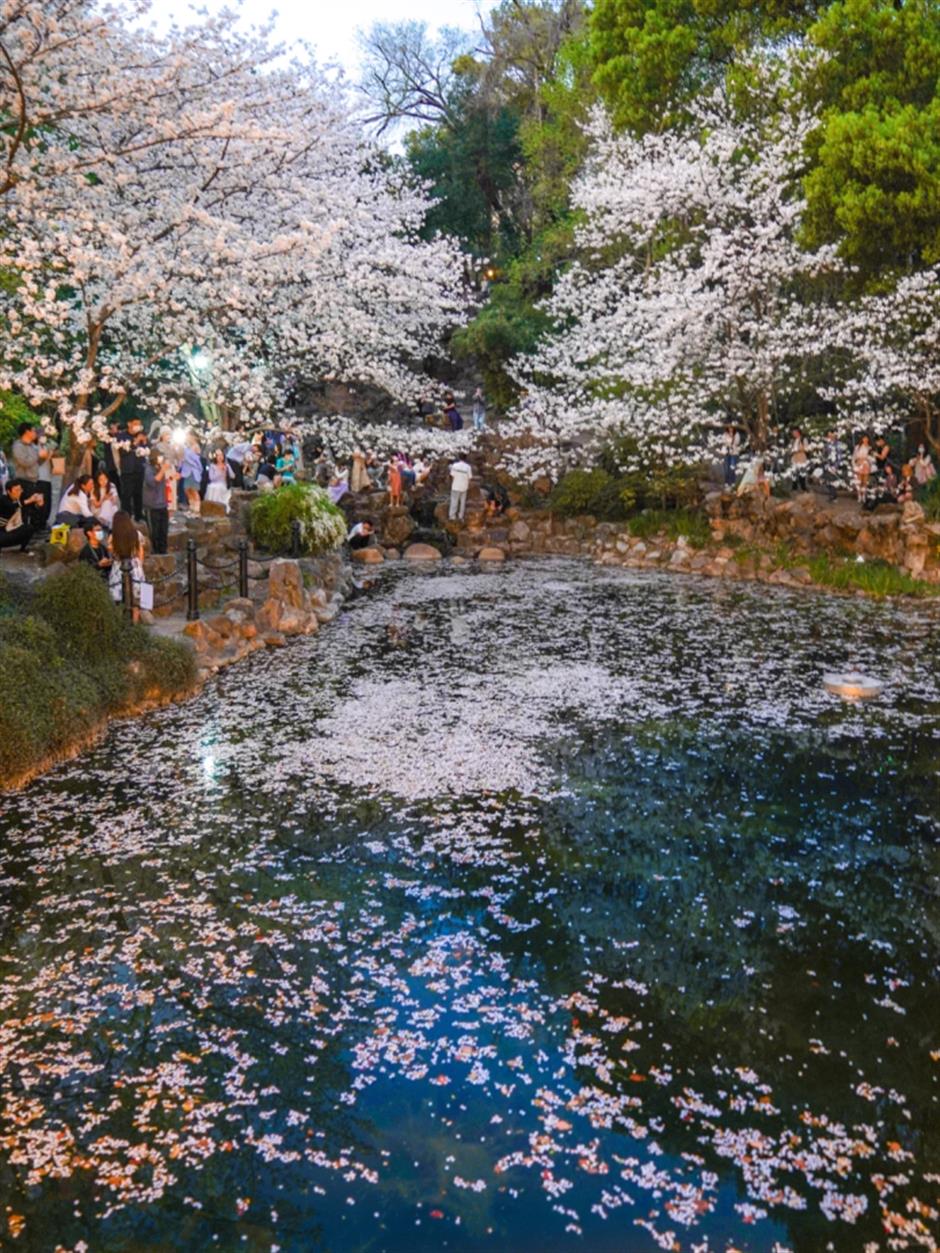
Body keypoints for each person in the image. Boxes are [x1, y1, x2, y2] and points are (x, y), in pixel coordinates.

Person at [108, 510, 144, 620]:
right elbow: (140, 553)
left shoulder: (113, 537)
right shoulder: (137, 534)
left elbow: (112, 553)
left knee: (118, 600)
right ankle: (135, 625)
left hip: (119, 567)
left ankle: (121, 624)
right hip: (135, 566)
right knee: (136, 603)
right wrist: (140, 566)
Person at [11, 423, 49, 527]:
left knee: (36, 507)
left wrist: (43, 457)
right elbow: (25, 462)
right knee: (25, 508)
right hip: (23, 481)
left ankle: (35, 529)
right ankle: (24, 531)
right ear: (27, 431)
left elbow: (37, 463)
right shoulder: (17, 446)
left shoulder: (33, 446)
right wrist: (38, 455)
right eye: (33, 430)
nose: (35, 433)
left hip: (34, 480)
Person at [117, 418, 149, 521]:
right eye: (135, 424)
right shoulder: (121, 436)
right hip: (127, 470)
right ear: (129, 423)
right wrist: (135, 442)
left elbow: (147, 450)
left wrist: (144, 442)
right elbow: (122, 452)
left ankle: (139, 515)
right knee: (127, 495)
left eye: (139, 424)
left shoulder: (141, 435)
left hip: (139, 469)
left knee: (138, 493)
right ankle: (126, 517)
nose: (137, 426)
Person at [0, 479, 42, 552]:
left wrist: (39, 503)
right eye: (16, 490)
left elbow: (33, 509)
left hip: (11, 529)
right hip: (1, 530)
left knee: (29, 528)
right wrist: (29, 500)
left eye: (20, 489)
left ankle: (22, 549)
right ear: (8, 491)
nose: (19, 492)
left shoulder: (21, 499)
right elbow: (12, 506)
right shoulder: (3, 499)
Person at [143, 450, 169, 554]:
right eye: (159, 457)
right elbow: (152, 482)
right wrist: (163, 470)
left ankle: (163, 550)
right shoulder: (148, 469)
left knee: (164, 530)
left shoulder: (159, 467)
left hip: (163, 504)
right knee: (155, 531)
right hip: (153, 506)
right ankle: (156, 551)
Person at [178, 434, 204, 515]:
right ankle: (191, 507)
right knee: (187, 490)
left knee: (194, 490)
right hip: (186, 471)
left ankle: (197, 510)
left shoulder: (196, 446)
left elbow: (197, 458)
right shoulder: (186, 447)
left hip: (193, 471)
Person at [823, 430, 845, 502]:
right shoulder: (827, 444)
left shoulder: (838, 444)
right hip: (827, 464)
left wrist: (836, 466)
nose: (830, 437)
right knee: (827, 481)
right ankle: (832, 495)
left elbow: (839, 456)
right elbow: (825, 454)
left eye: (831, 435)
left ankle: (833, 496)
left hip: (835, 464)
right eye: (829, 435)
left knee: (833, 480)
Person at [449, 456, 472, 522]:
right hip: (464, 487)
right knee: (462, 502)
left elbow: (452, 476)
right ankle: (460, 516)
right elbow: (469, 478)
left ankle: (452, 516)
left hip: (455, 486)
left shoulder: (455, 466)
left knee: (454, 501)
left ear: (459, 458)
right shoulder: (468, 467)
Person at [853, 436, 872, 503]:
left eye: (867, 438)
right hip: (859, 465)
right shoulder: (857, 447)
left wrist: (867, 459)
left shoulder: (870, 447)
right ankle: (859, 495)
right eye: (864, 438)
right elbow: (854, 457)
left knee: (865, 481)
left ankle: (864, 495)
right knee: (859, 481)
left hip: (866, 464)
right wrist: (856, 462)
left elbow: (871, 457)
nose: (865, 439)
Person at [721, 425, 741, 489]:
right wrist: (728, 442)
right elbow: (723, 442)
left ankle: (732, 482)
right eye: (729, 427)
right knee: (726, 468)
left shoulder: (736, 434)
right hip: (727, 452)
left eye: (732, 427)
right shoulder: (725, 434)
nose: (730, 429)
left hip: (734, 453)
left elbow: (737, 442)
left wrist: (731, 439)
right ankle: (726, 482)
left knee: (732, 468)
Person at [789, 428, 809, 492]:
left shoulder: (803, 439)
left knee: (802, 473)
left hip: (801, 458)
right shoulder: (793, 440)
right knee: (794, 473)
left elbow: (806, 449)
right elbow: (791, 449)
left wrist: (798, 450)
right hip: (794, 458)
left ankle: (803, 487)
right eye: (793, 433)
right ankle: (794, 487)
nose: (793, 434)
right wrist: (791, 451)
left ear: (798, 432)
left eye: (795, 432)